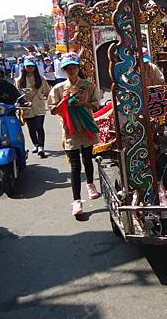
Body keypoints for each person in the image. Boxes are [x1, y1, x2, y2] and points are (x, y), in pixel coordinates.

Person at [48, 53, 101, 216]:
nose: (71, 71)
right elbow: (52, 110)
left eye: (74, 67)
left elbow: (96, 106)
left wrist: (83, 103)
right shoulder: (58, 88)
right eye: (68, 68)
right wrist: (64, 102)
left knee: (87, 158)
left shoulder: (89, 85)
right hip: (69, 130)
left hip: (85, 129)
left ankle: (91, 183)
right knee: (75, 166)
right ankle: (77, 200)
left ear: (78, 68)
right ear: (64, 71)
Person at [17, 57, 50, 158]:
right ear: (24, 67)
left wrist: (50, 103)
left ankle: (41, 146)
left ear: (35, 67)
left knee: (39, 127)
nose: (30, 68)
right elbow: (17, 95)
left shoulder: (41, 79)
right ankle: (35, 144)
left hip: (39, 106)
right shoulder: (19, 80)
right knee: (31, 128)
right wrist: (22, 105)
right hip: (27, 108)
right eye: (28, 66)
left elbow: (47, 92)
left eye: (32, 66)